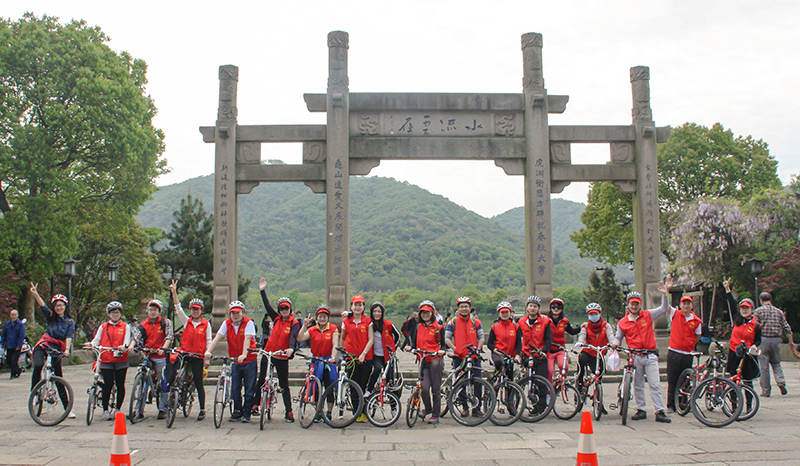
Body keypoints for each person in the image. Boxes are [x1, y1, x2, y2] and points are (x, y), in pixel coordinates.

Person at [610, 278, 673, 423]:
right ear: (628, 305)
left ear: (640, 305)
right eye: (632, 303)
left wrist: (665, 294)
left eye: (637, 303)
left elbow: (663, 309)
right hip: (634, 356)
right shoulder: (623, 322)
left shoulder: (648, 315)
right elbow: (618, 337)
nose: (634, 306)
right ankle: (641, 409)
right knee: (637, 384)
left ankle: (659, 411)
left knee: (655, 384)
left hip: (650, 354)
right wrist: (614, 343)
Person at [29, 283, 76, 418]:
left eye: (61, 305)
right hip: (44, 345)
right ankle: (35, 394)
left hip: (57, 350)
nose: (59, 308)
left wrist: (66, 349)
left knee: (59, 378)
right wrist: (36, 294)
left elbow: (69, 336)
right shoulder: (50, 318)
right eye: (56, 305)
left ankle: (67, 408)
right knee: (37, 366)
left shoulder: (69, 322)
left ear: (65, 306)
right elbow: (42, 306)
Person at [206, 300, 258, 423]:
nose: (235, 315)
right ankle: (237, 411)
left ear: (242, 312)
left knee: (249, 389)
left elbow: (247, 339)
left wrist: (244, 354)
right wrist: (208, 351)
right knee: (235, 388)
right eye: (233, 313)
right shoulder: (227, 323)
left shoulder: (248, 323)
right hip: (235, 360)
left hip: (249, 360)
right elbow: (218, 337)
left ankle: (247, 412)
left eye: (238, 312)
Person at [258, 277, 300, 422]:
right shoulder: (276, 318)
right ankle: (254, 405)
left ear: (290, 309)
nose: (283, 310)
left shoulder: (294, 322)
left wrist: (290, 349)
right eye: (281, 308)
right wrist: (262, 291)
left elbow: (293, 337)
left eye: (286, 308)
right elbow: (267, 306)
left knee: (284, 384)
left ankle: (289, 411)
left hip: (282, 355)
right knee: (261, 379)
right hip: (269, 353)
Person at [169, 280, 211, 421]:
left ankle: (202, 409)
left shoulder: (206, 325)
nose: (195, 311)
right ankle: (172, 398)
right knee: (175, 376)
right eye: (193, 309)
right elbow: (177, 308)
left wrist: (206, 357)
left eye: (197, 309)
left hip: (198, 356)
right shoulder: (186, 322)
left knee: (199, 383)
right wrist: (174, 292)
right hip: (185, 354)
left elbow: (209, 341)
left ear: (201, 310)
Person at [88, 301, 131, 420]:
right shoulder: (103, 326)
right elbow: (96, 340)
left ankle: (118, 408)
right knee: (107, 384)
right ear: (108, 314)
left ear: (120, 314)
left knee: (120, 384)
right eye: (112, 312)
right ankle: (105, 410)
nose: (115, 315)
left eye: (117, 312)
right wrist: (91, 344)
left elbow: (127, 340)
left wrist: (124, 346)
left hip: (121, 359)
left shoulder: (125, 327)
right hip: (106, 358)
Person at [404, 300, 445, 424]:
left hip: (435, 360)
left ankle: (436, 414)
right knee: (424, 388)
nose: (425, 315)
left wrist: (442, 351)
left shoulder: (438, 327)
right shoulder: (419, 327)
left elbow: (443, 345)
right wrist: (410, 347)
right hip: (423, 360)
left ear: (432, 313)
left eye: (428, 312)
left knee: (436, 389)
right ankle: (428, 408)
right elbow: (414, 342)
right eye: (423, 313)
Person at [296, 305, 339, 421]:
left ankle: (329, 412)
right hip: (316, 361)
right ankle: (319, 411)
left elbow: (335, 344)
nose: (322, 319)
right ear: (317, 318)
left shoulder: (333, 329)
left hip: (328, 361)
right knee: (315, 388)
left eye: (324, 316)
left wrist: (333, 357)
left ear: (328, 317)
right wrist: (304, 325)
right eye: (320, 316)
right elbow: (300, 338)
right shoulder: (312, 329)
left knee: (329, 387)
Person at [445, 296, 485, 417]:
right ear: (458, 308)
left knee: (478, 381)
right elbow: (447, 339)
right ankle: (464, 407)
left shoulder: (476, 322)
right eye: (461, 307)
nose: (464, 309)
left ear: (470, 308)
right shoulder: (453, 322)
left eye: (466, 307)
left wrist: (478, 349)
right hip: (460, 356)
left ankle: (477, 408)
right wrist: (455, 349)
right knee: (461, 382)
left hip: (474, 356)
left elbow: (481, 337)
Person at [136, 299, 173, 420]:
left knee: (163, 381)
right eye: (150, 310)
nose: (152, 312)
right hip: (147, 355)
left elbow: (169, 336)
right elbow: (137, 337)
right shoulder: (143, 325)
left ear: (159, 311)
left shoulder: (165, 322)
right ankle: (138, 409)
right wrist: (136, 347)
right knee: (142, 381)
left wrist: (164, 347)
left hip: (160, 356)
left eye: (155, 310)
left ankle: (163, 408)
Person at [724, 290, 762, 409]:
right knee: (732, 379)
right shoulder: (737, 320)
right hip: (734, 352)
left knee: (747, 381)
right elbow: (731, 304)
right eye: (742, 308)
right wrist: (728, 290)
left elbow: (758, 340)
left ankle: (749, 406)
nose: (744, 310)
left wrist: (755, 345)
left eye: (747, 308)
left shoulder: (756, 325)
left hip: (748, 355)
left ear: (752, 310)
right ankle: (734, 405)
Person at [340, 294, 374, 422]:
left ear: (364, 307)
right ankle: (356, 412)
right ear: (351, 306)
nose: (358, 307)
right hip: (351, 358)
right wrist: (344, 354)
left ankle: (364, 412)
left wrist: (364, 353)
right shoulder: (346, 322)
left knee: (363, 385)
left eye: (360, 305)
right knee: (353, 386)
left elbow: (370, 339)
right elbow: (343, 338)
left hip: (366, 357)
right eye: (355, 305)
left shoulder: (368, 321)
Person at [665, 295, 702, 413]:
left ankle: (683, 403)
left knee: (685, 380)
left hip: (687, 353)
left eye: (688, 303)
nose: (686, 306)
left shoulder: (697, 321)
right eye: (684, 303)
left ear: (692, 305)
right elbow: (665, 306)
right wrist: (665, 292)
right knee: (672, 379)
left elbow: (698, 336)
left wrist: (689, 344)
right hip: (674, 352)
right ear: (680, 305)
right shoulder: (675, 314)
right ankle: (671, 404)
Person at [754, 290, 794, 397]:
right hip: (776, 340)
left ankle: (766, 391)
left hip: (763, 340)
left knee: (764, 367)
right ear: (771, 300)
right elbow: (787, 327)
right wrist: (791, 341)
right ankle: (780, 381)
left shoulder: (758, 311)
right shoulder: (779, 311)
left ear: (761, 300)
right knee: (776, 363)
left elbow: (754, 327)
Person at [575, 303, 615, 408]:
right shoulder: (586, 326)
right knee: (581, 360)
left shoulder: (606, 326)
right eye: (591, 314)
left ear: (600, 313)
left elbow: (611, 336)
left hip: (599, 354)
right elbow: (582, 335)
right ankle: (579, 385)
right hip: (588, 352)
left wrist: (612, 343)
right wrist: (580, 342)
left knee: (599, 374)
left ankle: (598, 400)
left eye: (595, 313)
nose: (593, 316)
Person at [366, 301, 401, 393]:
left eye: (379, 311)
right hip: (376, 355)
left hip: (387, 355)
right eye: (375, 311)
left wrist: (393, 349)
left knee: (390, 379)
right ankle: (369, 390)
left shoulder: (388, 324)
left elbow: (398, 336)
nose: (377, 314)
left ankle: (393, 404)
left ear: (382, 313)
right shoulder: (368, 324)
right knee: (377, 369)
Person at [546, 298, 580, 384]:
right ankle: (549, 392)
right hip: (549, 350)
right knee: (549, 372)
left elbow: (572, 331)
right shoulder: (545, 320)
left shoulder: (564, 321)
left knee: (563, 366)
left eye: (559, 307)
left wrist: (581, 327)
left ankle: (563, 384)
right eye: (553, 307)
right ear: (550, 308)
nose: (556, 309)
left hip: (560, 349)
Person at [517, 295, 551, 378]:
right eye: (530, 306)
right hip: (527, 354)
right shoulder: (521, 322)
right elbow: (517, 340)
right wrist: (518, 354)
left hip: (540, 354)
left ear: (539, 308)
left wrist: (544, 351)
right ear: (527, 307)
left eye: (535, 306)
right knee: (524, 378)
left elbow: (548, 339)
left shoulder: (545, 321)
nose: (532, 308)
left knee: (541, 381)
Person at [487, 301, 521, 379]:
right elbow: (489, 344)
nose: (505, 314)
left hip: (510, 355)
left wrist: (518, 355)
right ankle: (493, 383)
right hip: (498, 354)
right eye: (503, 313)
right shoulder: (494, 327)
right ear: (499, 314)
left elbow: (518, 343)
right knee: (499, 364)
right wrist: (495, 350)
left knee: (509, 379)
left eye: (507, 312)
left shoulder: (516, 327)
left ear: (510, 313)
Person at [2, 309, 26, 379]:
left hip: (16, 346)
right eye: (12, 315)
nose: (13, 316)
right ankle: (18, 369)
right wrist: (2, 342)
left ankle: (13, 374)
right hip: (9, 345)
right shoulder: (8, 324)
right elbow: (4, 334)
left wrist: (19, 345)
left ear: (17, 315)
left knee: (13, 360)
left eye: (15, 315)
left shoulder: (20, 325)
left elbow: (22, 336)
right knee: (8, 360)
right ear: (10, 315)